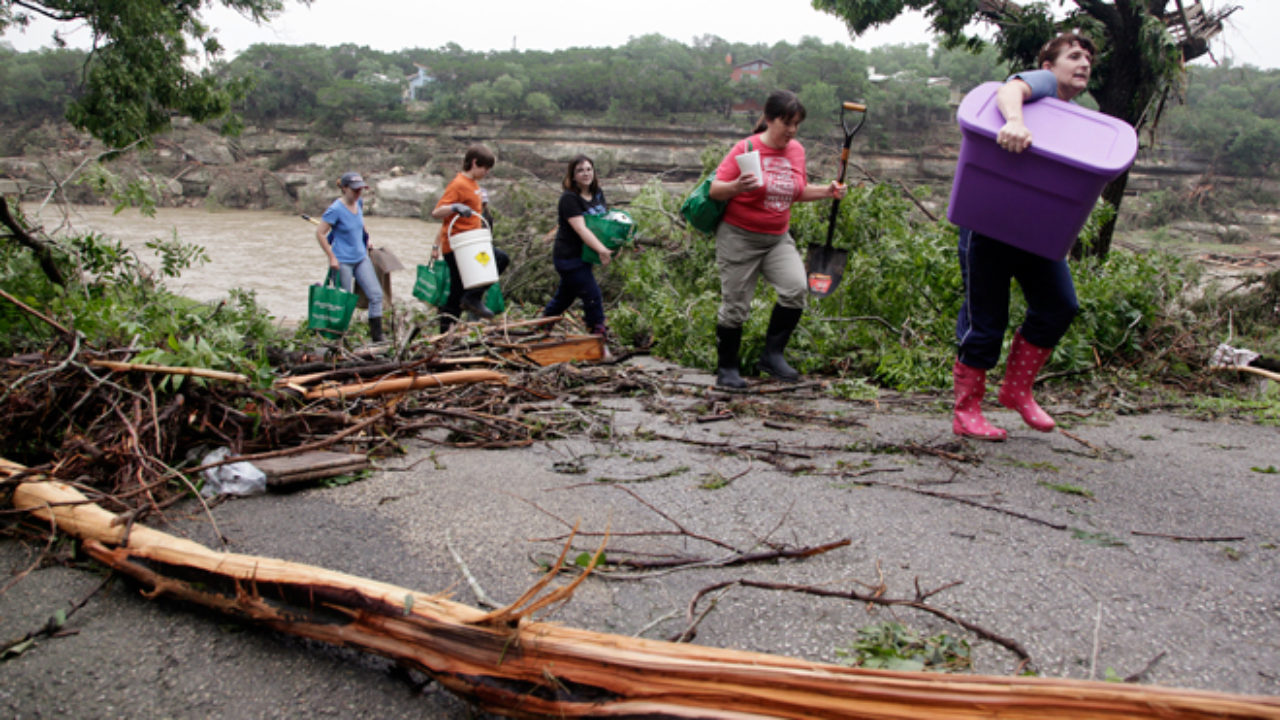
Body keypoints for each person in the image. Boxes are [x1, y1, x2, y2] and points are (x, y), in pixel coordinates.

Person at [951, 32, 1095, 440]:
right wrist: (1015, 120)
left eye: (1087, 58)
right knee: (986, 320)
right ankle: (967, 410)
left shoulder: (1073, 114)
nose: (1083, 63)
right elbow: (1010, 88)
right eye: (1073, 55)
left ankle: (1016, 389)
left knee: (1059, 305)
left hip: (1038, 230)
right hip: (992, 223)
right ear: (1049, 66)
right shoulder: (1043, 87)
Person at [708, 90, 846, 388]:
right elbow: (715, 190)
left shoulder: (796, 150)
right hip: (739, 238)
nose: (792, 130)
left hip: (776, 239)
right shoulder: (746, 149)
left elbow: (796, 191)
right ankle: (727, 369)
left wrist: (828, 191)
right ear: (770, 120)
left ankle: (771, 356)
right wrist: (736, 186)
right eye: (787, 123)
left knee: (796, 289)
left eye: (797, 123)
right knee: (736, 306)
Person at [430, 144, 510, 332]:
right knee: (497, 260)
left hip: (473, 244)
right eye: (485, 168)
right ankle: (466, 305)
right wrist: (454, 207)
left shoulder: (474, 185)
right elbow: (437, 212)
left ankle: (464, 306)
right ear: (474, 163)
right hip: (459, 247)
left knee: (460, 290)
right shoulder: (458, 184)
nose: (487, 172)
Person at [542, 155, 614, 336]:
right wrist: (602, 250)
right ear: (573, 175)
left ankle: (541, 327)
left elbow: (604, 224)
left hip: (585, 256)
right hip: (568, 258)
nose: (585, 173)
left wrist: (615, 245)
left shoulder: (598, 194)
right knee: (593, 296)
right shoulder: (569, 199)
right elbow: (581, 229)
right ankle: (598, 337)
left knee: (564, 298)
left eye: (589, 169)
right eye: (580, 170)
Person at [314, 171, 384, 342]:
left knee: (376, 295)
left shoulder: (358, 202)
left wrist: (367, 240)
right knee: (345, 301)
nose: (358, 193)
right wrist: (331, 257)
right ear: (344, 188)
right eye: (355, 190)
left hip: (361, 257)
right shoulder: (335, 209)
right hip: (342, 261)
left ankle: (377, 335)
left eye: (360, 189)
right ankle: (339, 337)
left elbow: (360, 225)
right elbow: (320, 233)